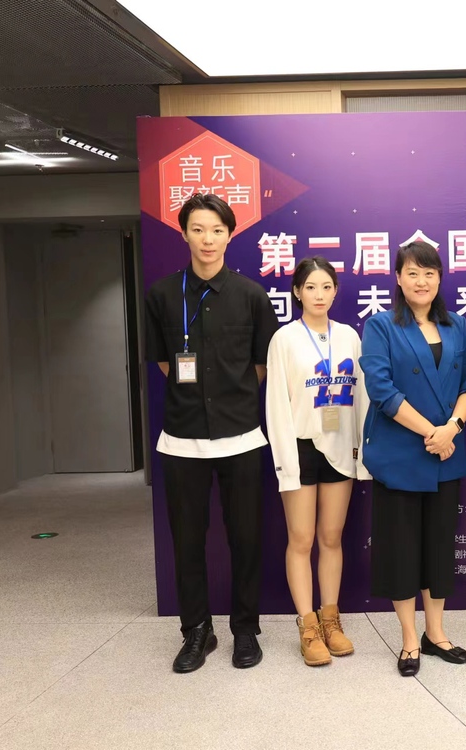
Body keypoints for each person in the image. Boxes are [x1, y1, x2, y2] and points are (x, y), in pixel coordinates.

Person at [144, 193, 279, 673]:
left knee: (246, 538)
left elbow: (261, 364)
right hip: (182, 437)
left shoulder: (251, 295)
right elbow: (164, 361)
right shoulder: (162, 295)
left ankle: (245, 629)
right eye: (198, 229)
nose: (208, 239)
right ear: (184, 233)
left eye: (217, 230)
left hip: (240, 435)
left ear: (229, 235)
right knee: (187, 541)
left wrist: (228, 400)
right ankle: (197, 630)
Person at [359, 241, 466, 677]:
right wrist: (432, 432)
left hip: (447, 452)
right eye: (412, 272)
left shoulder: (456, 324)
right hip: (401, 454)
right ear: (398, 278)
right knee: (402, 550)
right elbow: (381, 389)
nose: (421, 281)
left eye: (429, 273)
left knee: (438, 548)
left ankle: (436, 633)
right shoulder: (381, 325)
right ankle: (410, 639)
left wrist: (452, 429)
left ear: (440, 278)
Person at [265, 256, 370, 667]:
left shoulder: (349, 336)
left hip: (340, 448)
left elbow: (362, 397)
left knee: (331, 537)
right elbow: (276, 404)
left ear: (336, 291)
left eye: (326, 286)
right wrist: (285, 460)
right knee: (301, 538)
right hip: (301, 446)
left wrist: (361, 453)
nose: (319, 295)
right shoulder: (284, 339)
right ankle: (307, 627)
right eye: (310, 287)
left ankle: (331, 620)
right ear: (297, 292)